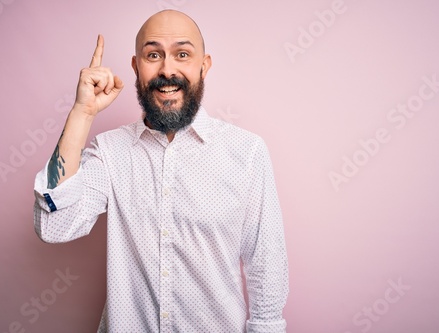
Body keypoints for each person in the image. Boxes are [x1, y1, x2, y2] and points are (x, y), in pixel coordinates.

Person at [33, 9, 289, 333]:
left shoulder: (246, 152)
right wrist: (82, 113)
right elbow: (55, 225)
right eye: (153, 55)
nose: (167, 69)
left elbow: (266, 261)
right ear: (136, 66)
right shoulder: (110, 151)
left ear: (204, 65)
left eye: (182, 54)